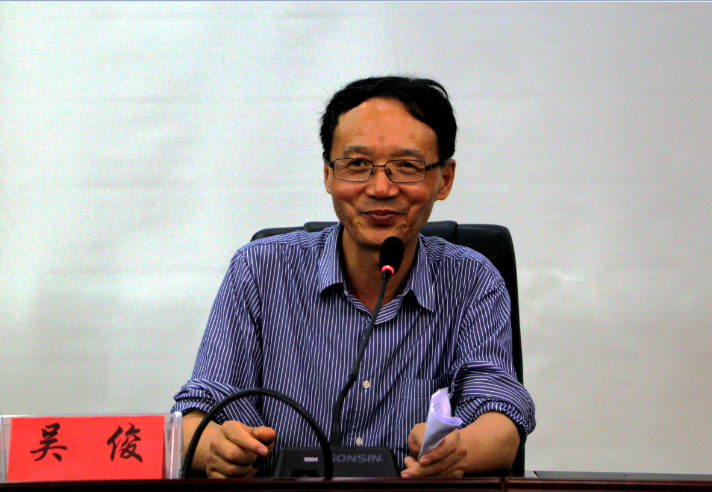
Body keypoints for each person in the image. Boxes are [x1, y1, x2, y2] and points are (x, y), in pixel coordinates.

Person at [172, 76, 536, 478]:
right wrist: (216, 447)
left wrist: (459, 451)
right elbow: (194, 417)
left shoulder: (472, 280)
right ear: (328, 174)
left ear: (444, 179)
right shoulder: (260, 270)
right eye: (357, 165)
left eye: (407, 167)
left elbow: (501, 420)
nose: (380, 188)